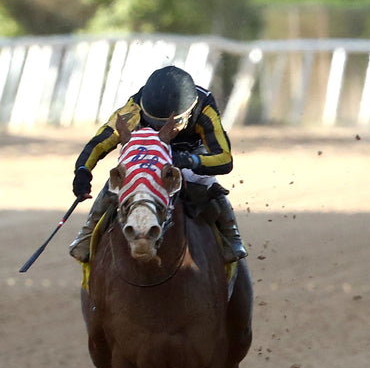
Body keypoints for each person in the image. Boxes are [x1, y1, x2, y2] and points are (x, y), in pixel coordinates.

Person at [69, 64, 246, 263]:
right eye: (153, 123)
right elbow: (101, 141)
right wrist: (83, 170)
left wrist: (188, 160)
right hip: (147, 154)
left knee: (207, 182)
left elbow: (224, 158)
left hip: (188, 154)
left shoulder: (204, 106)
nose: (161, 130)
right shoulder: (134, 106)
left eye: (171, 124)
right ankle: (87, 232)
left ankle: (231, 235)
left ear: (189, 114)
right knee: (121, 179)